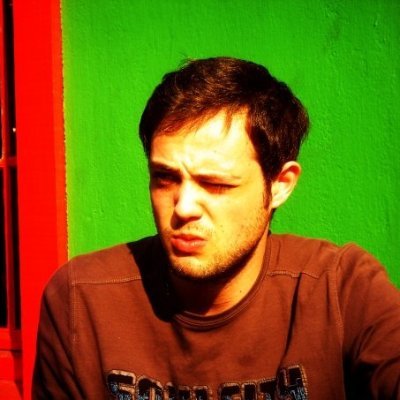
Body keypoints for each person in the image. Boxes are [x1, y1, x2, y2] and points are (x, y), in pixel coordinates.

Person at [33, 57, 400, 400]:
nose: (184, 207)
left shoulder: (341, 292)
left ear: (280, 185)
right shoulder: (81, 302)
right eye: (165, 178)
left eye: (216, 184)